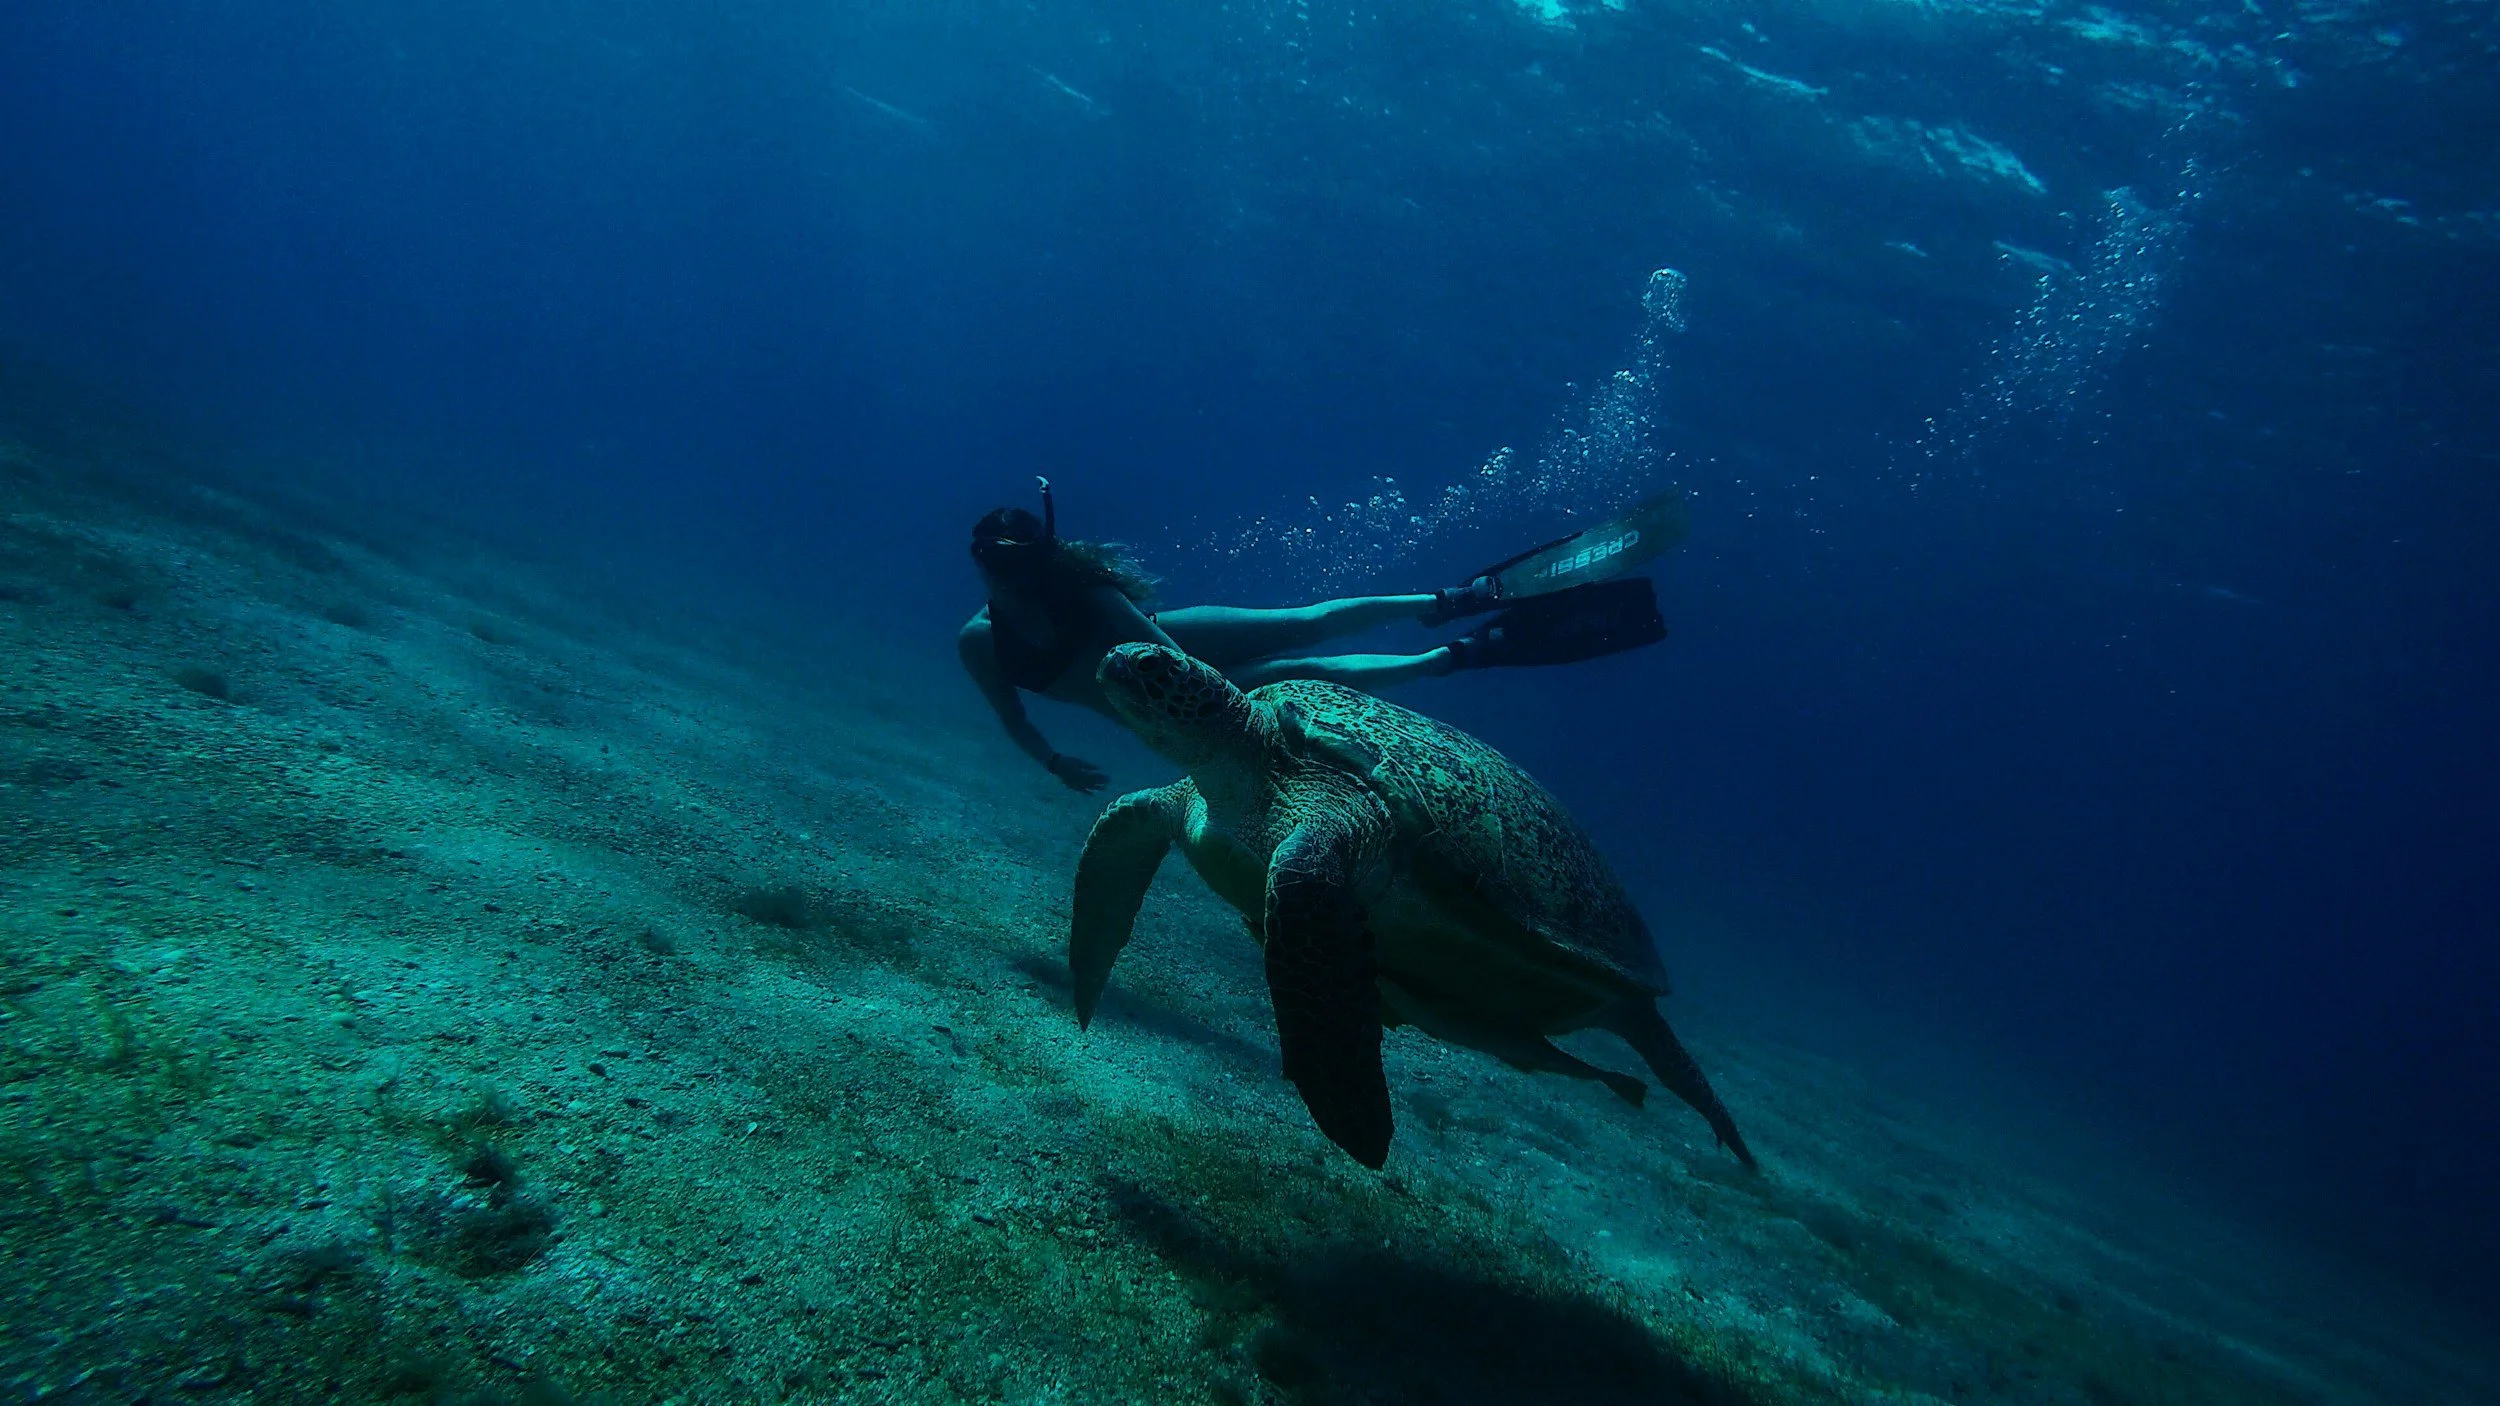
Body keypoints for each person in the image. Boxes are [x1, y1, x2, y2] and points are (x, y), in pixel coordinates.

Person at [961, 479, 1663, 793]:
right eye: (999, 565)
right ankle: (1445, 658)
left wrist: (1211, 707)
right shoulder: (981, 643)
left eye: (1024, 564)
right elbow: (1010, 715)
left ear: (1044, 556)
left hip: (1167, 669)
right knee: (1299, 666)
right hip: (1147, 699)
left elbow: (1158, 652)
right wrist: (1055, 764)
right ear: (980, 563)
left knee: (1298, 622)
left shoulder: (1081, 588)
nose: (1014, 579)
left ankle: (1454, 602)